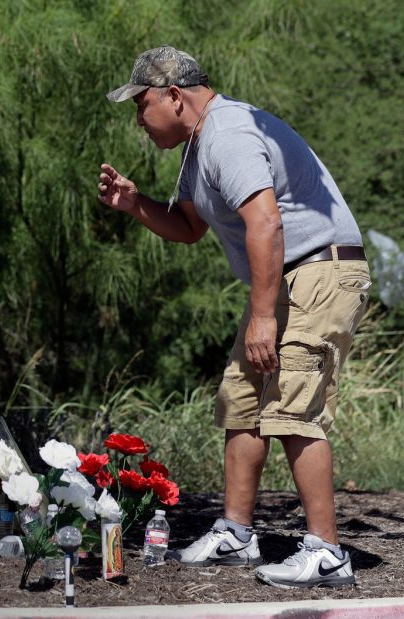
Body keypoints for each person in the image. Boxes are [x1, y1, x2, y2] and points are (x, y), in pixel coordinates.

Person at [98, 46, 370, 588]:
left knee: (292, 407)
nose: (138, 119)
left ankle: (327, 553)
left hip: (318, 272)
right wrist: (134, 203)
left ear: (175, 96)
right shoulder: (198, 148)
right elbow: (188, 227)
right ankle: (237, 535)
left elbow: (265, 223)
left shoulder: (228, 134)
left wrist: (263, 317)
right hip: (284, 277)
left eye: (142, 104)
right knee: (242, 399)